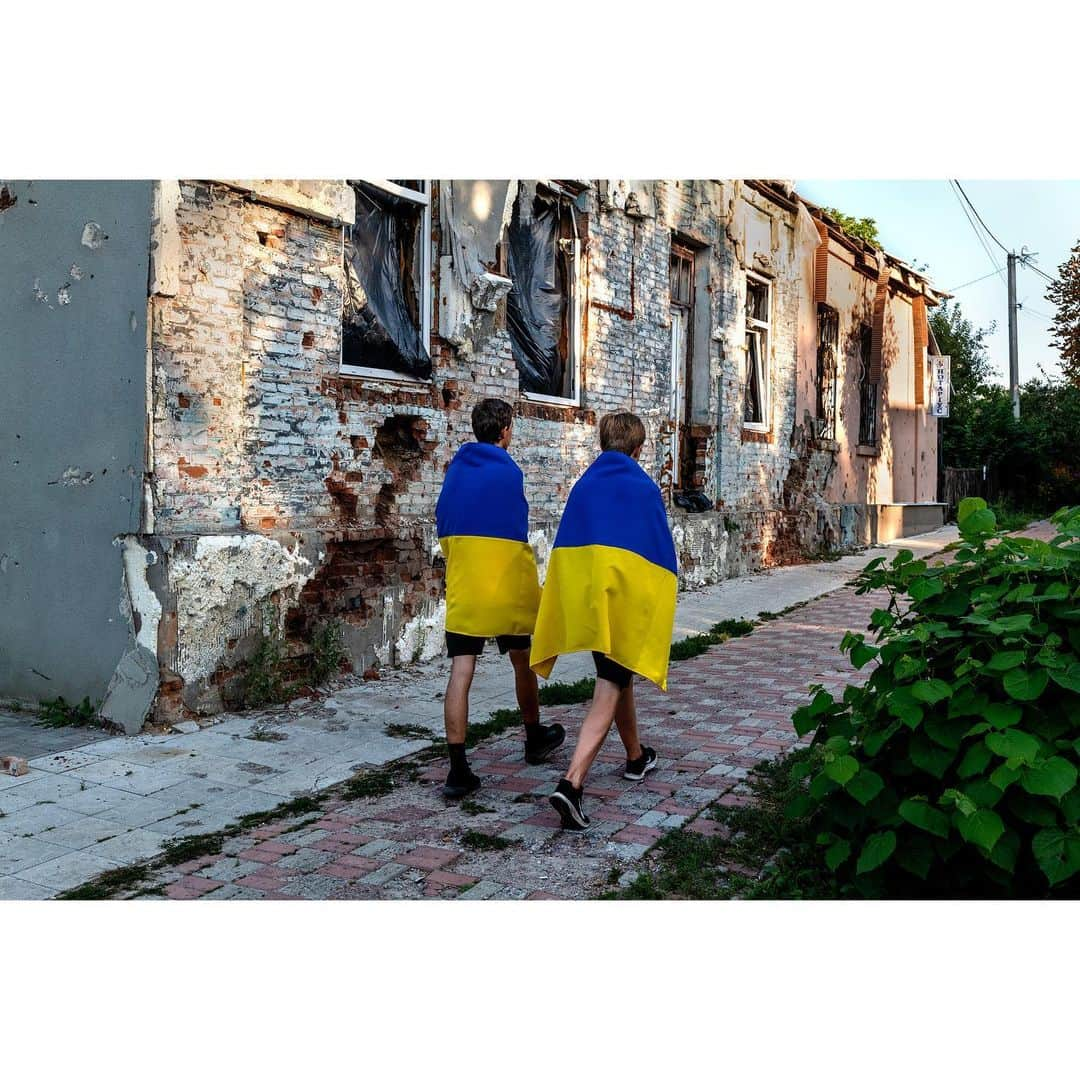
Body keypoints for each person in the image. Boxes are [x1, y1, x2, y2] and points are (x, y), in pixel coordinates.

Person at [530, 412, 678, 830]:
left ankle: (635, 756)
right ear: (638, 449)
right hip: (625, 601)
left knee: (617, 671)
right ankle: (572, 783)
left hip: (590, 601)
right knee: (611, 682)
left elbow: (566, 548)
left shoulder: (584, 485)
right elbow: (659, 555)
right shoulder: (645, 488)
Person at [435, 398, 565, 798]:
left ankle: (458, 770)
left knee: (461, 671)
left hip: (467, 586)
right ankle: (533, 736)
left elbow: (444, 524)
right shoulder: (509, 472)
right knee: (521, 660)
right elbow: (516, 528)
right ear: (505, 429)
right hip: (507, 585)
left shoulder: (455, 471)